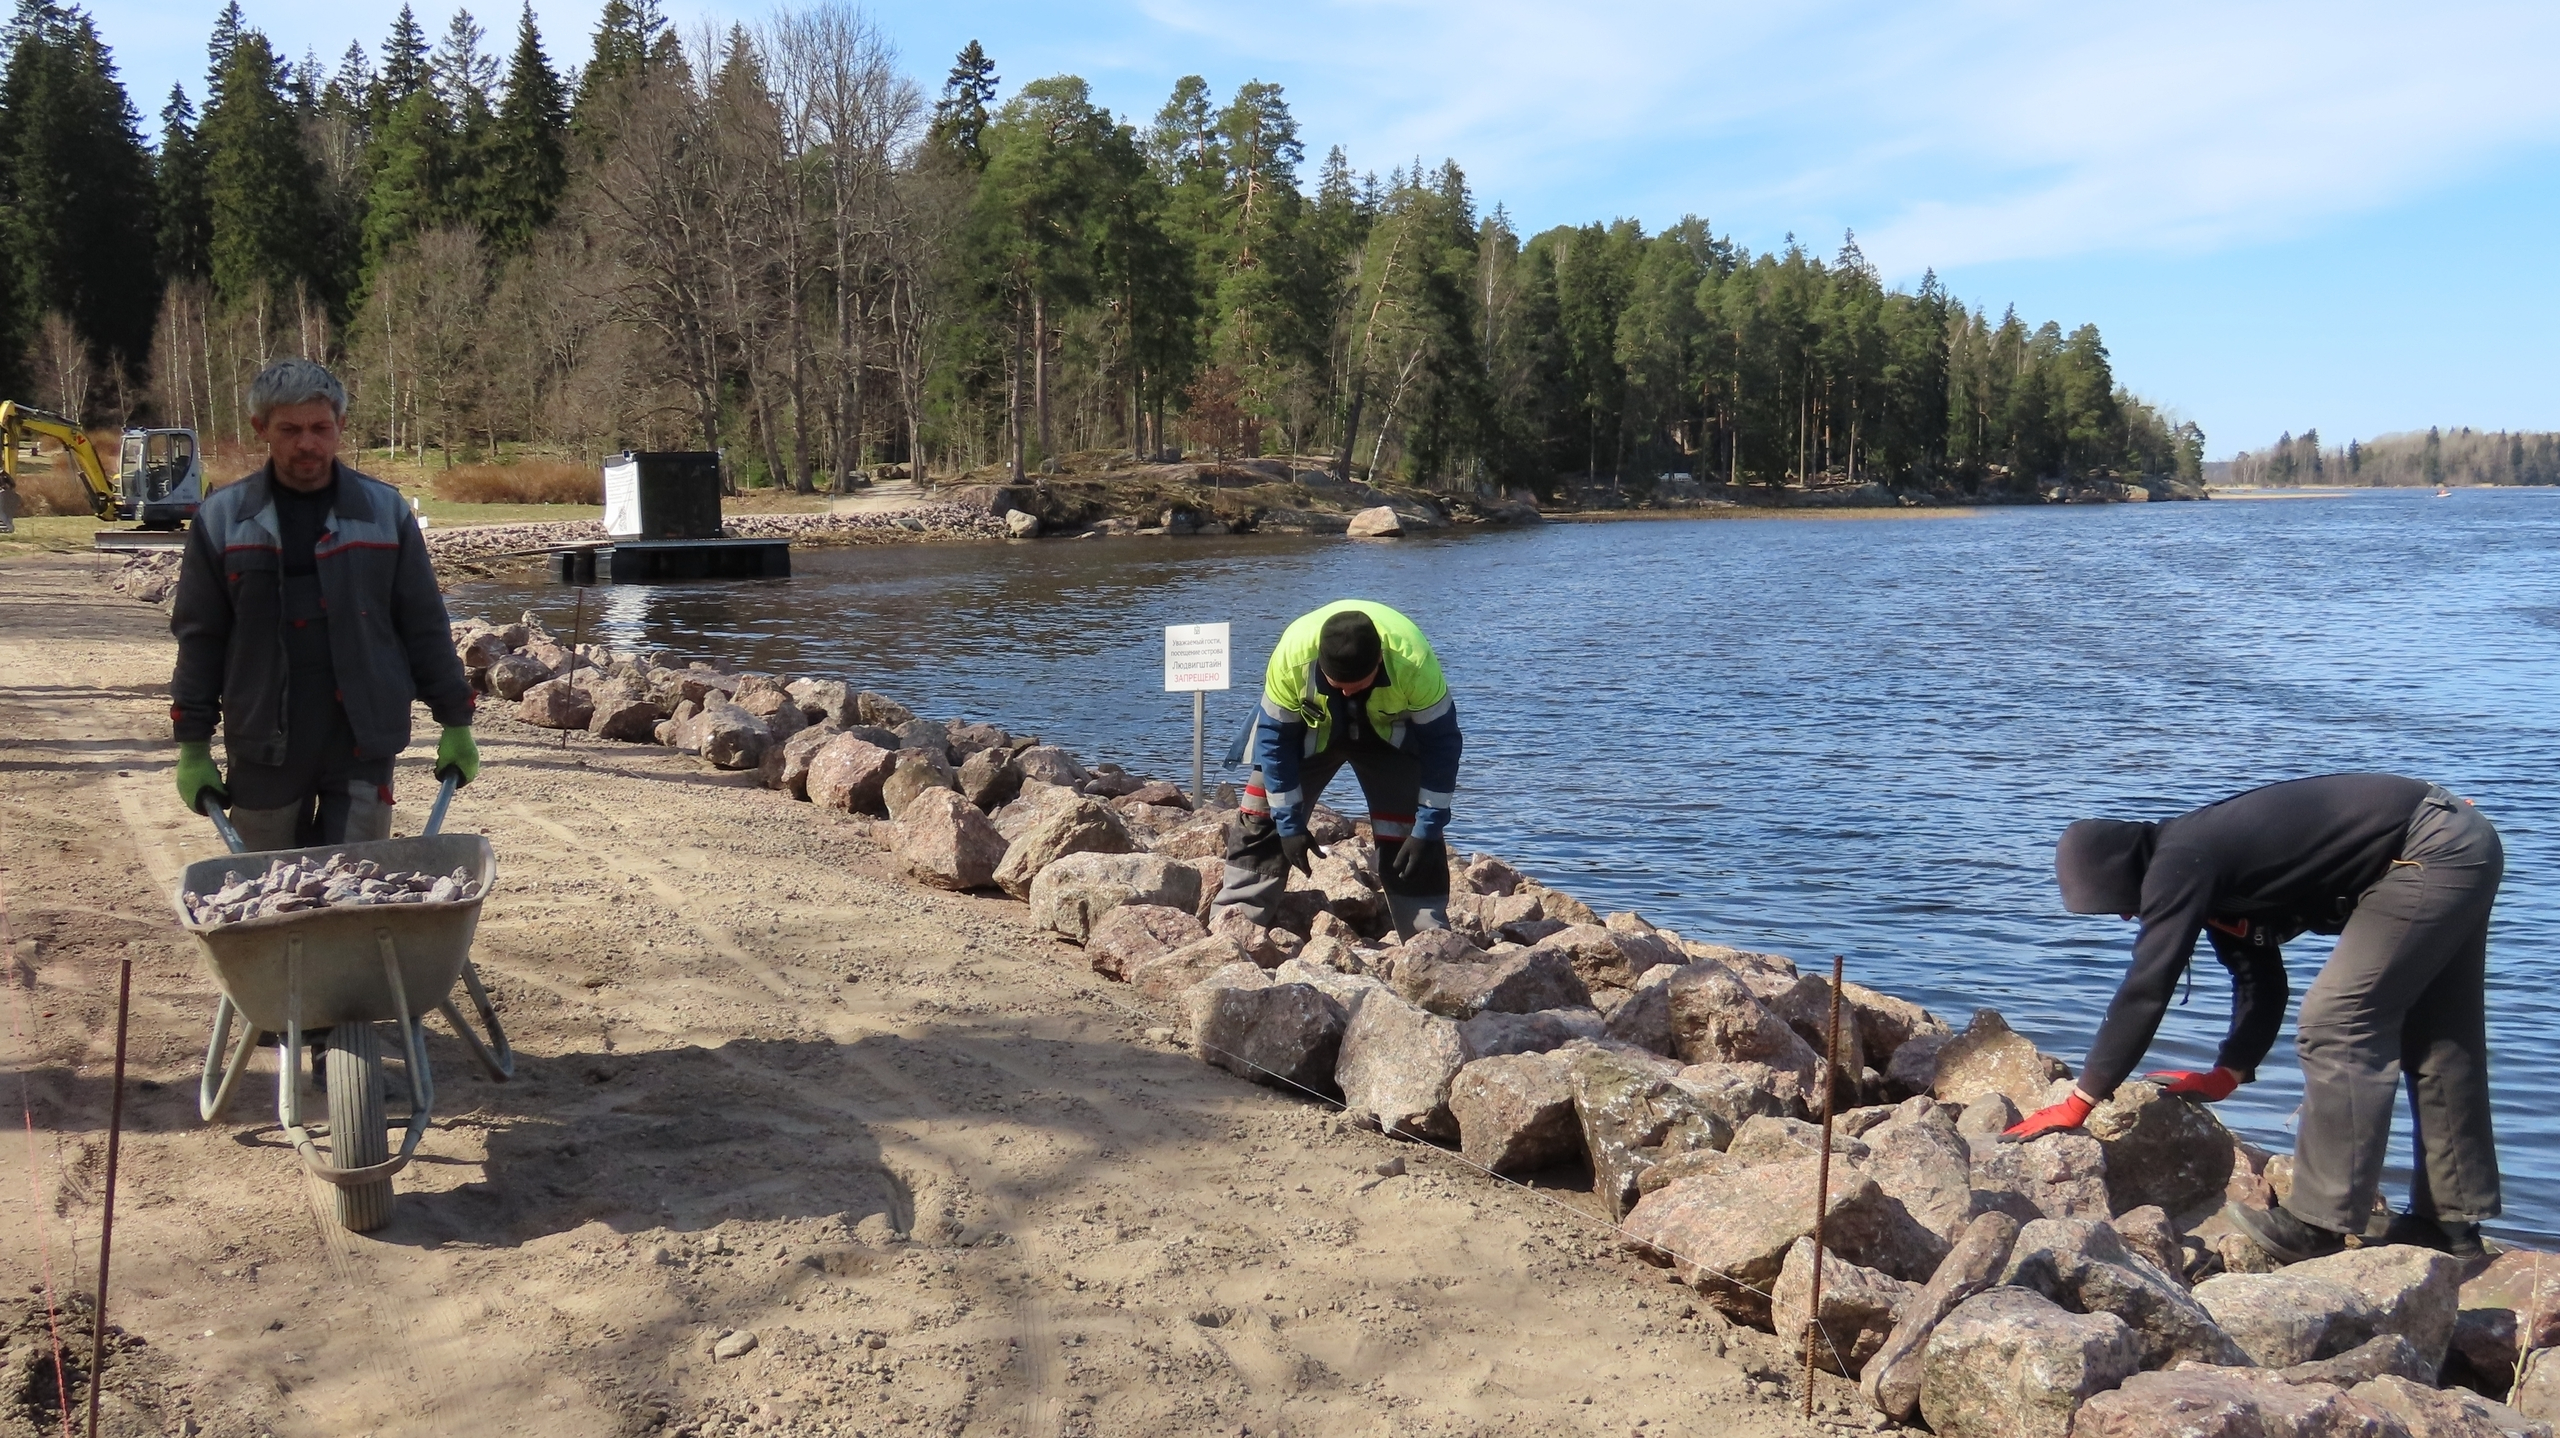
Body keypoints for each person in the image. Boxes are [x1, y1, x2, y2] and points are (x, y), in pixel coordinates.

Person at [2009, 773, 2504, 1262]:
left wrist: (2082, 1098)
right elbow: (2259, 979)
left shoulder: (2178, 861)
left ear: (2126, 873)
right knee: (2439, 1037)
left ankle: (2318, 1222)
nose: (2124, 917)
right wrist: (2229, 1072)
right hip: (2458, 840)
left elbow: (2147, 986)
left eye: (2118, 904)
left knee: (2337, 1022)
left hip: (2428, 848)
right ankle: (2447, 1225)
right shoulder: (2208, 867)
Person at [169, 358, 479, 848]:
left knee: (357, 880)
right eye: (289, 430)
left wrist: (455, 721)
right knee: (268, 885)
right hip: (263, 741)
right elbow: (200, 639)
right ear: (261, 428)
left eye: (320, 428)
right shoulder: (222, 520)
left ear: (341, 425)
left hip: (362, 739)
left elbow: (423, 624)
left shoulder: (385, 513)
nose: (307, 444)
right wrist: (192, 746)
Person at [1214, 600, 1462, 940]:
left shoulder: (1414, 663)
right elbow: (1273, 741)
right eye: (1337, 684)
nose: (1345, 692)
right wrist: (1288, 824)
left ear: (1379, 661)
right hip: (1310, 729)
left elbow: (1442, 745)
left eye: (1355, 685)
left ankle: (1428, 940)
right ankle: (1233, 928)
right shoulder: (1292, 656)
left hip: (1388, 734)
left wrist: (1426, 828)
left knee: (1409, 829)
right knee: (1263, 810)